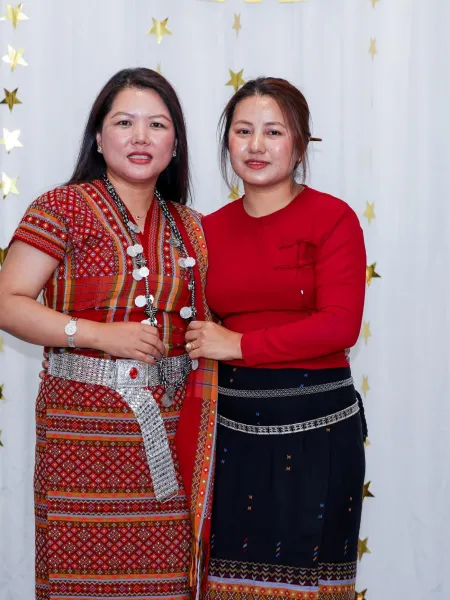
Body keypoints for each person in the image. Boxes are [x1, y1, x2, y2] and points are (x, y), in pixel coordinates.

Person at [0, 68, 217, 600]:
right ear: (98, 137)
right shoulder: (61, 207)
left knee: (168, 582)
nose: (141, 137)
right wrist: (97, 335)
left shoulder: (193, 225)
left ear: (175, 143)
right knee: (83, 579)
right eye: (124, 122)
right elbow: (7, 302)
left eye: (157, 125)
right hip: (82, 432)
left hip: (174, 432)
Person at [184, 77, 367, 600]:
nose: (256, 145)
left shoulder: (333, 218)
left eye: (273, 131)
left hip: (317, 435)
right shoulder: (207, 230)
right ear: (227, 142)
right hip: (232, 437)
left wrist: (239, 346)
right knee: (229, 586)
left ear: (300, 144)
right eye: (243, 131)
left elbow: (339, 325)